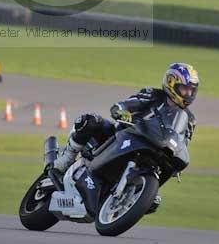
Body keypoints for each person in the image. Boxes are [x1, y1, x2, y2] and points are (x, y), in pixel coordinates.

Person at [52, 62, 199, 212]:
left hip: (156, 147)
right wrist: (121, 110)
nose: (188, 94)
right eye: (184, 89)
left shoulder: (190, 119)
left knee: (164, 170)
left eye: (192, 90)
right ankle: (67, 158)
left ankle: (144, 191)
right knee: (90, 121)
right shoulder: (153, 95)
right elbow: (127, 104)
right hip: (123, 134)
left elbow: (183, 141)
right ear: (171, 83)